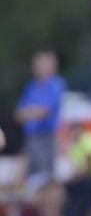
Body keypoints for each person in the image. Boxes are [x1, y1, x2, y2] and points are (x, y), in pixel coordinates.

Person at [15, 50, 66, 194]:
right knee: (37, 180)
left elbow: (45, 112)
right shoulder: (31, 87)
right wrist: (33, 112)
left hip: (47, 137)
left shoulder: (56, 85)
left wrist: (30, 112)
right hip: (33, 138)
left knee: (49, 179)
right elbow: (19, 114)